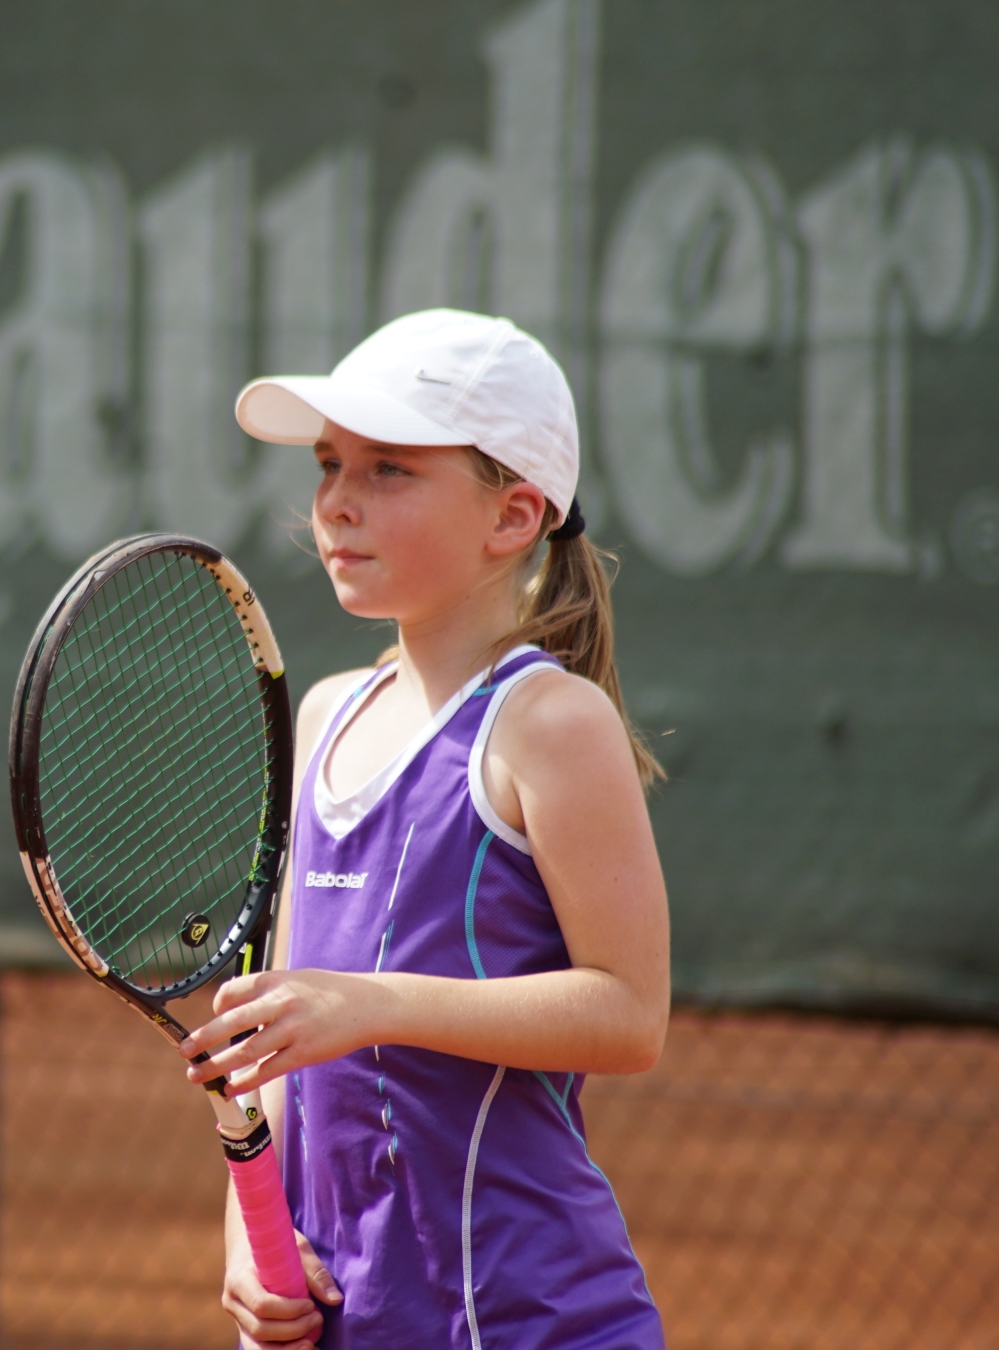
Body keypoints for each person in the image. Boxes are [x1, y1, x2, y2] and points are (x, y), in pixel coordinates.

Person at [176, 309, 670, 1349]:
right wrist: (248, 1242)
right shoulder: (324, 715)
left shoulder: (551, 722)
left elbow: (630, 1013)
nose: (336, 502)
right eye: (329, 465)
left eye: (390, 470)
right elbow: (280, 1039)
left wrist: (373, 1004)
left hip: (533, 1321)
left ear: (513, 516)